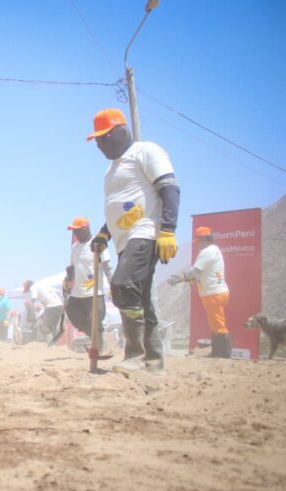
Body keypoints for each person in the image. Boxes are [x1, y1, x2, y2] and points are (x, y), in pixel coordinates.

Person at [87, 108, 180, 375]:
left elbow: (169, 189)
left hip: (146, 231)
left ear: (121, 130)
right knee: (142, 299)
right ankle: (153, 364)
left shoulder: (145, 151)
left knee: (122, 284)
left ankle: (135, 356)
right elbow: (118, 209)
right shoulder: (111, 170)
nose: (100, 144)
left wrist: (168, 231)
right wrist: (104, 234)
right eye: (96, 141)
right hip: (124, 240)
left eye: (104, 137)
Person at [168, 226, 231, 358]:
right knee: (215, 323)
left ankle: (223, 354)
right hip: (216, 292)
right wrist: (184, 279)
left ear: (204, 239)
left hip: (213, 293)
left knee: (218, 324)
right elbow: (200, 274)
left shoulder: (207, 252)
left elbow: (195, 271)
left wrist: (181, 278)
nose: (198, 245)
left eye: (199, 241)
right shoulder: (214, 250)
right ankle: (217, 352)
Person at [63, 217, 113, 349]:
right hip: (77, 293)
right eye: (74, 231)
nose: (75, 234)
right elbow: (73, 267)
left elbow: (107, 266)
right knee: (73, 315)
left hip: (94, 293)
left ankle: (100, 345)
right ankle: (96, 338)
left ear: (86, 229)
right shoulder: (74, 247)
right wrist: (68, 279)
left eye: (78, 230)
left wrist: (113, 284)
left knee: (95, 321)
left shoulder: (97, 244)